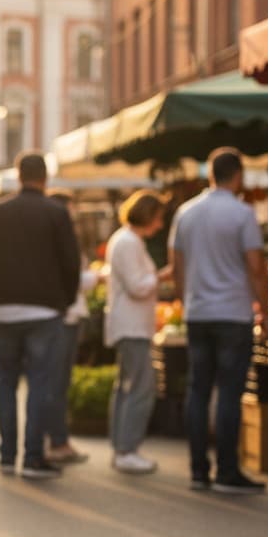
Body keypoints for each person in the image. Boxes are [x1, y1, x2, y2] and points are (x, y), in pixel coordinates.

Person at [169, 148, 268, 495]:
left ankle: (198, 470)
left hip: (198, 313)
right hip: (233, 313)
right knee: (229, 392)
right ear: (237, 176)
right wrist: (266, 314)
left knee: (198, 390)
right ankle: (227, 470)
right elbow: (257, 268)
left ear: (209, 174)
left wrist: (185, 302)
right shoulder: (242, 214)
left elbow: (176, 266)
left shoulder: (186, 212)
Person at [0, 152, 79, 479]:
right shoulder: (56, 212)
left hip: (5, 311)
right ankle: (34, 457)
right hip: (45, 310)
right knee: (40, 384)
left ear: (18, 176)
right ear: (45, 178)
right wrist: (64, 301)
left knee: (6, 383)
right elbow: (71, 262)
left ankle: (7, 455)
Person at [105, 190, 168, 474]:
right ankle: (127, 449)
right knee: (140, 387)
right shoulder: (129, 242)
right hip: (131, 325)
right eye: (158, 217)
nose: (160, 224)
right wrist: (162, 276)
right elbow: (138, 286)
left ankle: (122, 446)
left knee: (127, 386)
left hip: (130, 324)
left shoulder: (127, 240)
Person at [44, 192, 96, 466]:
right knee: (56, 383)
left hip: (66, 316)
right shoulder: (60, 239)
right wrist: (96, 277)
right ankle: (57, 441)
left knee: (55, 383)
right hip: (65, 316)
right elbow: (73, 278)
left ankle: (54, 439)